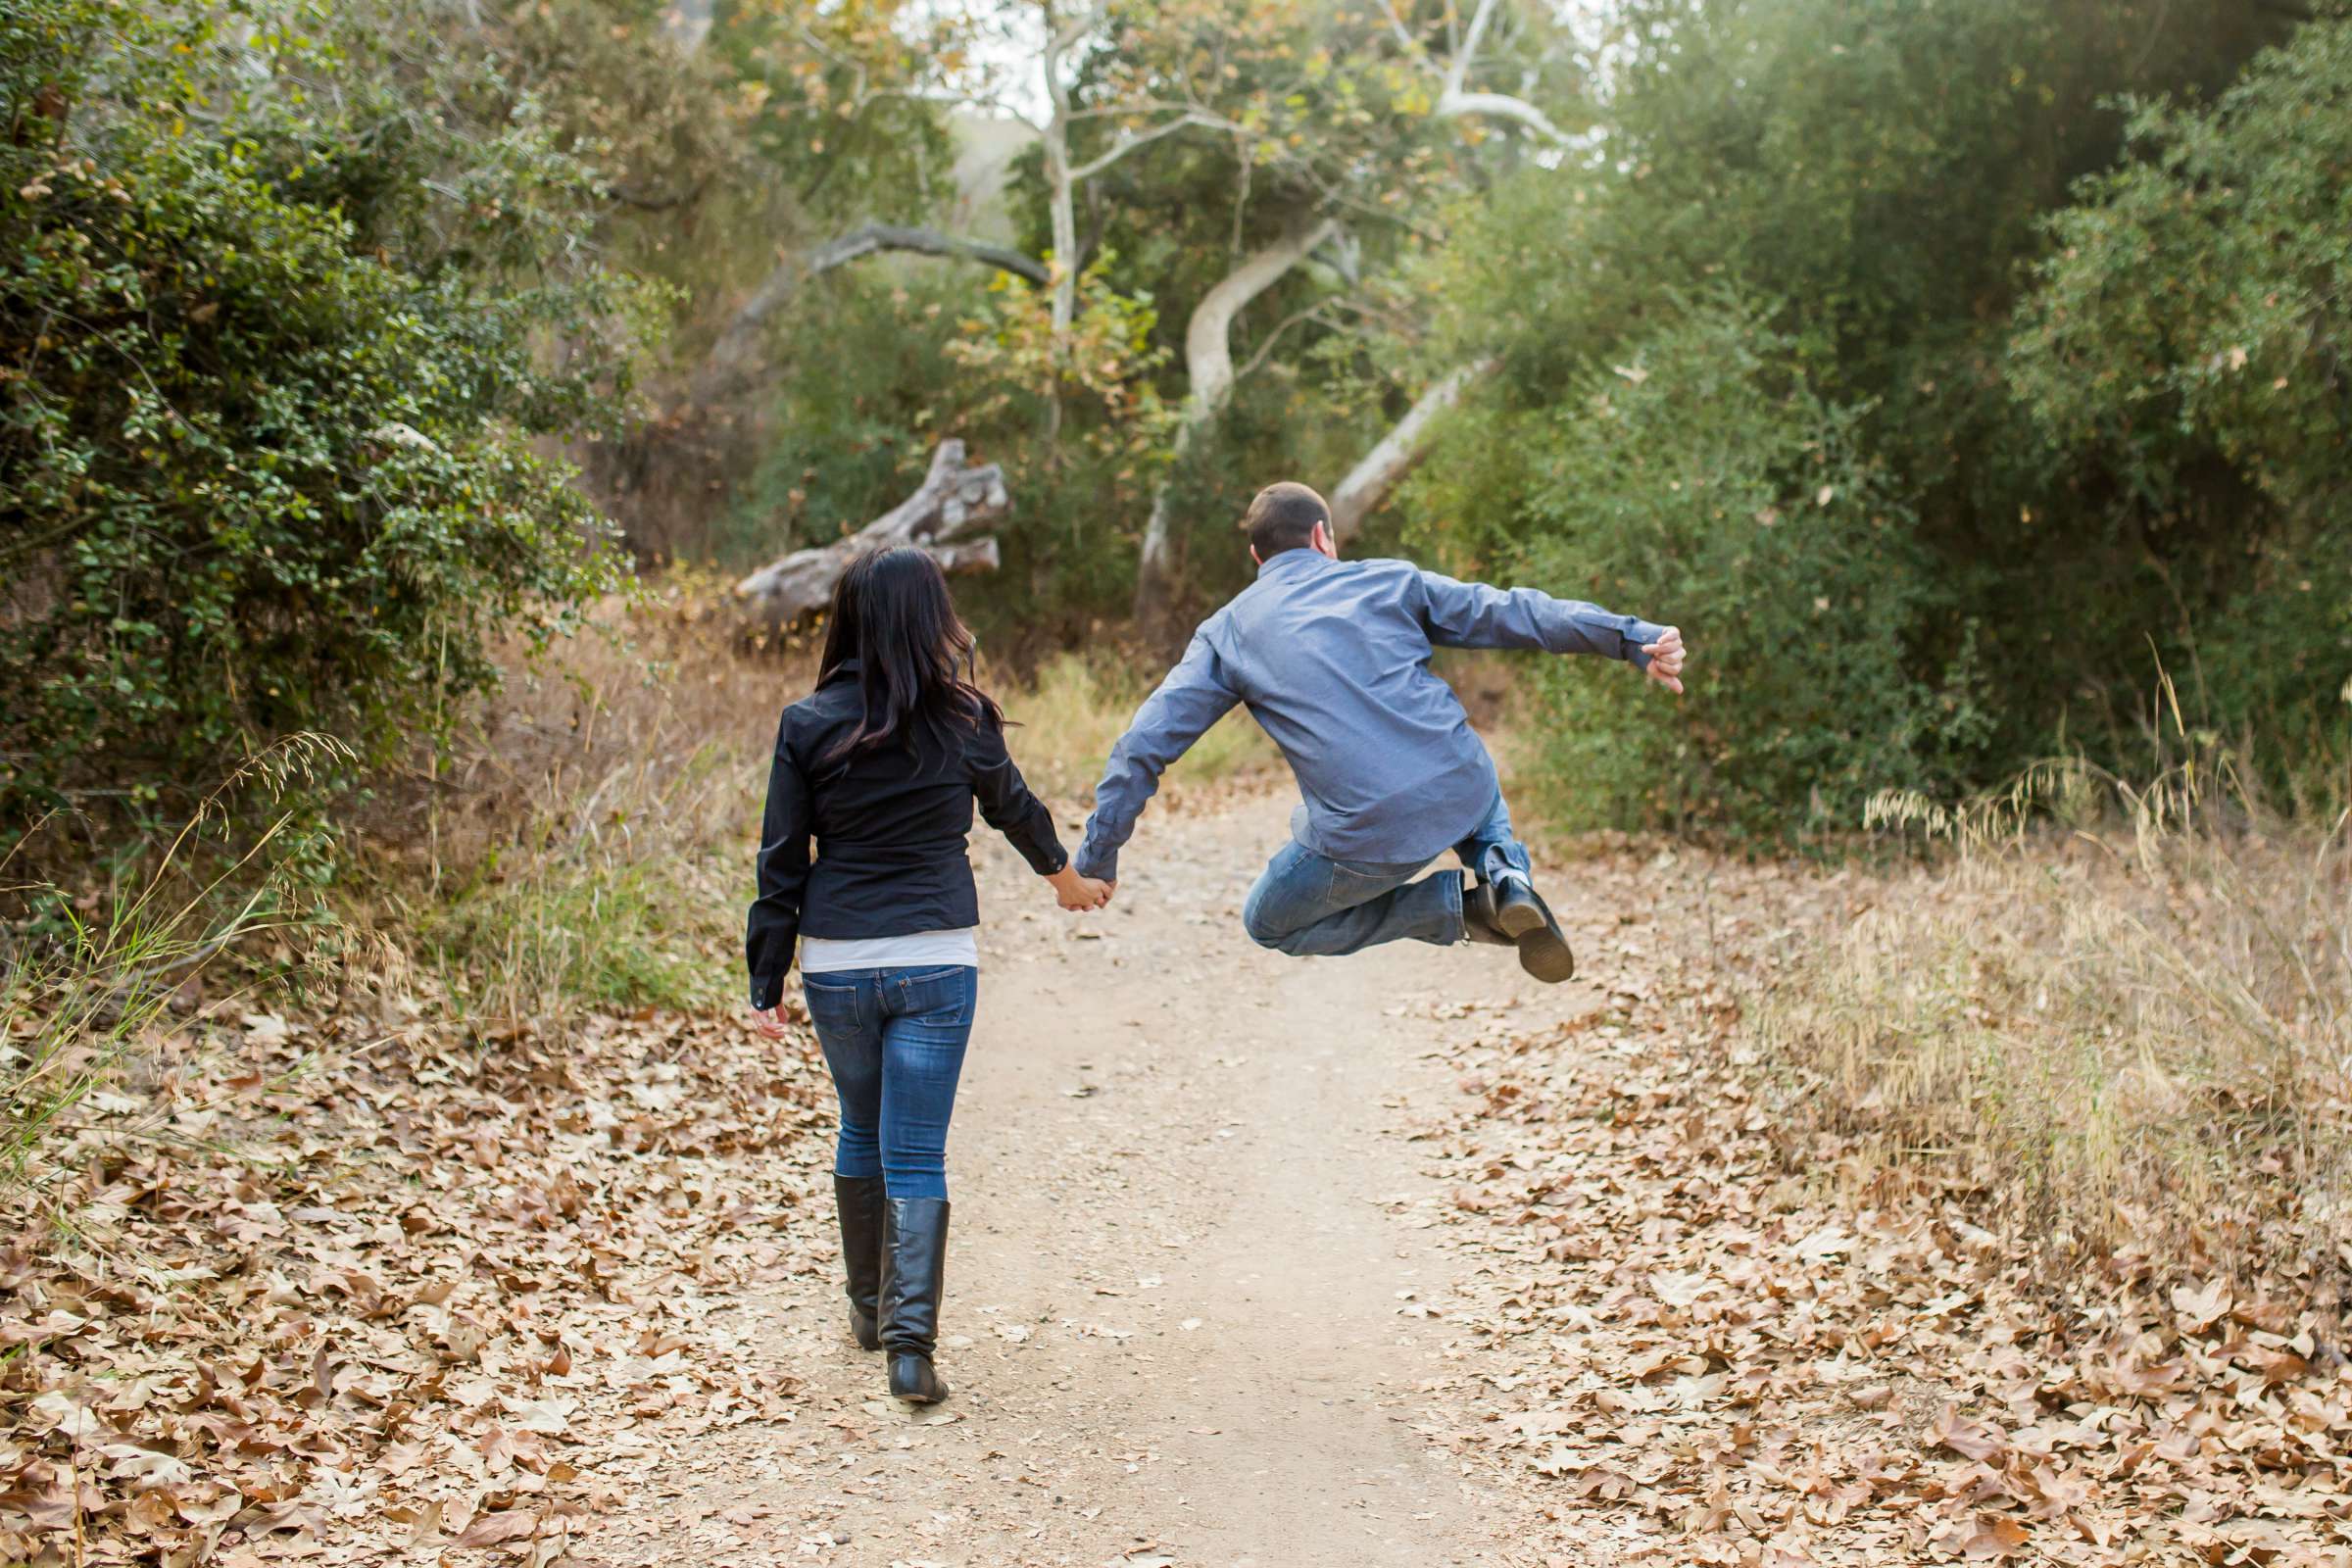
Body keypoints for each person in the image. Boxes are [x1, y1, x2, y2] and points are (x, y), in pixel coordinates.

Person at [745, 548, 1111, 1405]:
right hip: (937, 957)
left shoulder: (807, 722)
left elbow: (780, 859)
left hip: (836, 959)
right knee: (914, 1148)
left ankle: (868, 1310)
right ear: (932, 619)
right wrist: (1065, 878)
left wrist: (767, 980)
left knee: (859, 1129)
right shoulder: (966, 719)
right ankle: (911, 1352)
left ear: (847, 619)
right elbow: (1013, 807)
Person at [1074, 481, 1686, 982]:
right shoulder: (1391, 579)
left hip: (1367, 839)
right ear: (1322, 537)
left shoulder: (1227, 632)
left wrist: (1098, 856)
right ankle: (1505, 873)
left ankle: (1464, 909)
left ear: (1258, 558)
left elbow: (1142, 747)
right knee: (1465, 770)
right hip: (1460, 785)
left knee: (1270, 923)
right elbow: (1512, 611)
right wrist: (1632, 637)